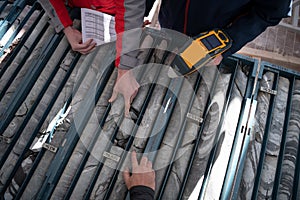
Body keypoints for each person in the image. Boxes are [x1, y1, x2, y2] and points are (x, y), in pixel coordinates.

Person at [39, 0, 291, 117]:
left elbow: (270, 12)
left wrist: (230, 39)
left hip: (211, 33)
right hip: (170, 19)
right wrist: (140, 17)